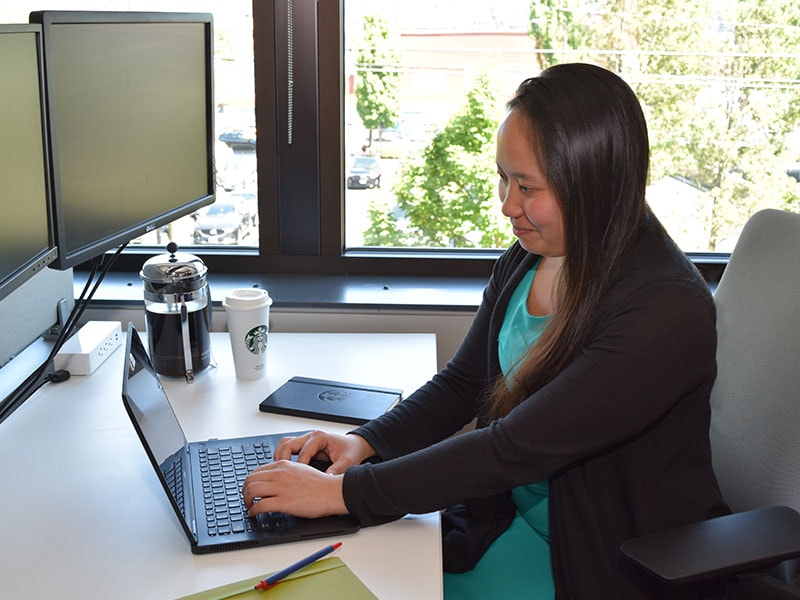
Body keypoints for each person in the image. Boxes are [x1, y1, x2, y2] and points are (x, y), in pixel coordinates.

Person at [242, 63, 730, 599]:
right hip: (506, 514)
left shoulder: (664, 312)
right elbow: (461, 384)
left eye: (527, 186)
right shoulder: (532, 255)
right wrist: (363, 443)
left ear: (594, 185)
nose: (507, 205)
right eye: (503, 177)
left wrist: (342, 494)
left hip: (600, 557)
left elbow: (514, 447)